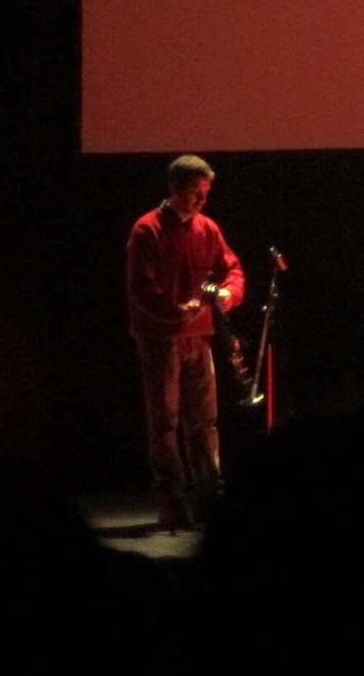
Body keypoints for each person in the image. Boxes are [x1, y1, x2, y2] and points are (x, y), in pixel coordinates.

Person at [126, 154, 245, 531]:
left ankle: (209, 500)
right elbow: (141, 288)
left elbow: (233, 269)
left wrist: (228, 294)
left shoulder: (207, 228)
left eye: (206, 192)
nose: (202, 200)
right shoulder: (148, 229)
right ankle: (172, 504)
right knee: (165, 421)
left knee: (204, 421)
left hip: (199, 337)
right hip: (160, 338)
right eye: (196, 192)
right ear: (176, 188)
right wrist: (177, 311)